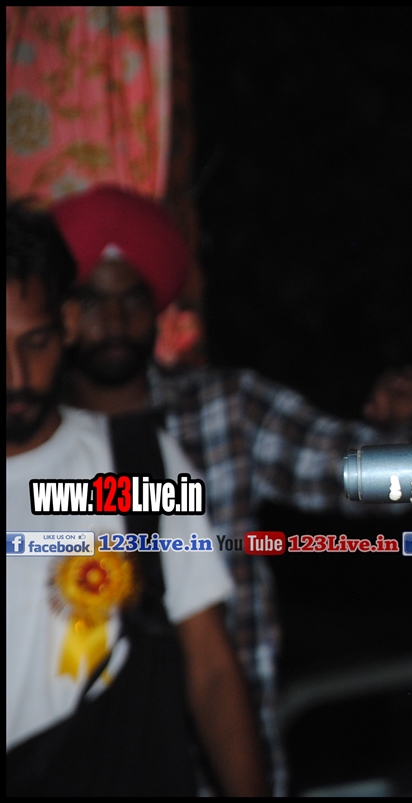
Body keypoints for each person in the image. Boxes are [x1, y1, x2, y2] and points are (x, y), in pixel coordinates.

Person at [48, 184, 412, 795]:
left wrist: (408, 430)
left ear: (158, 305)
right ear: (63, 315)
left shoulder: (224, 408)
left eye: (133, 298)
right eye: (93, 301)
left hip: (231, 766)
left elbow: (361, 477)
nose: (116, 320)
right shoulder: (34, 444)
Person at [6, 200, 268, 795]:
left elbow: (211, 668)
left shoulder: (137, 464)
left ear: (66, 326)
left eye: (35, 343)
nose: (16, 376)